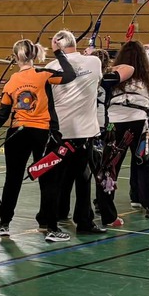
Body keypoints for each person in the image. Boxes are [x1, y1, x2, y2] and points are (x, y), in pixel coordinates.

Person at [0, 39, 67, 235]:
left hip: (17, 133)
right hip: (43, 133)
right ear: (34, 55)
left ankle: (4, 223)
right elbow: (70, 75)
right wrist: (58, 53)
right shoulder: (43, 74)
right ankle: (51, 227)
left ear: (15, 57)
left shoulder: (12, 81)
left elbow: (3, 114)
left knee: (12, 179)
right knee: (48, 178)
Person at [97, 39, 149, 224]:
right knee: (144, 164)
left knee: (110, 166)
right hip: (139, 122)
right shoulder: (147, 78)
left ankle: (103, 205)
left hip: (114, 123)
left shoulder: (113, 75)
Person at [39, 32, 97, 241]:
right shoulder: (94, 61)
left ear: (57, 46)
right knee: (83, 179)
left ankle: (49, 218)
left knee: (54, 179)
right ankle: (84, 221)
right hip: (83, 133)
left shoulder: (51, 67)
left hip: (59, 133)